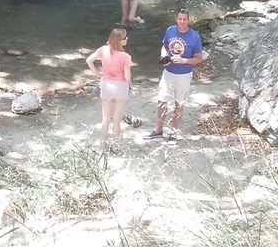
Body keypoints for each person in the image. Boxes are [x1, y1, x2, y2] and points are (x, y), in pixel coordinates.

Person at [144, 8, 203, 145]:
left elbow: (199, 58)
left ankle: (174, 132)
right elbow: (164, 46)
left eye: (184, 19)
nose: (182, 22)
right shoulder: (170, 30)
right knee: (162, 101)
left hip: (184, 74)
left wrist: (185, 61)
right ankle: (158, 130)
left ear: (188, 20)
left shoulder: (194, 36)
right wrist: (164, 56)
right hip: (168, 72)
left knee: (179, 103)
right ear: (176, 19)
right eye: (180, 19)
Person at [86, 28, 132, 153]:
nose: (127, 39)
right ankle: (115, 146)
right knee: (116, 119)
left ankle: (101, 146)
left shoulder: (103, 50)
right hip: (120, 87)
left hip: (106, 85)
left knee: (105, 119)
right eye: (124, 38)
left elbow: (89, 60)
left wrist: (97, 74)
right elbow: (127, 77)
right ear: (119, 41)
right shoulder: (126, 57)